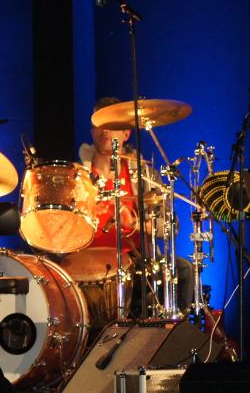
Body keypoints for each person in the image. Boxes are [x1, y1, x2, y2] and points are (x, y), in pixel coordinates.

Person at [78, 96, 193, 314]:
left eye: (112, 126)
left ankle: (172, 338)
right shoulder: (78, 175)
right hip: (85, 259)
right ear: (92, 131)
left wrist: (136, 224)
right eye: (100, 125)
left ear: (126, 133)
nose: (105, 132)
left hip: (134, 260)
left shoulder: (144, 175)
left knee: (184, 269)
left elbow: (170, 226)